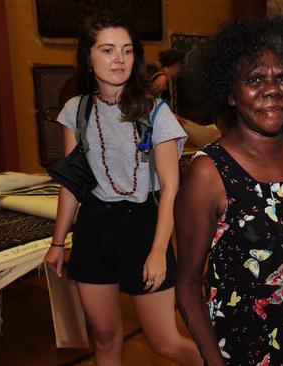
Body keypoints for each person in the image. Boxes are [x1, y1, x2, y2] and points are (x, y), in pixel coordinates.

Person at [175, 15, 283, 365]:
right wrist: (213, 360)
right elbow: (187, 285)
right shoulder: (210, 173)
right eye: (254, 79)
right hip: (250, 354)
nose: (272, 89)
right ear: (229, 92)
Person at [43, 12, 201, 365]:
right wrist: (57, 243)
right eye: (108, 50)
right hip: (94, 230)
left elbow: (171, 189)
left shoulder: (155, 112)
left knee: (165, 343)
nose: (119, 59)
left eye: (127, 51)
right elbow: (73, 183)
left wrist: (159, 250)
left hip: (144, 228)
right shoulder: (76, 110)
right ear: (88, 57)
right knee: (104, 337)